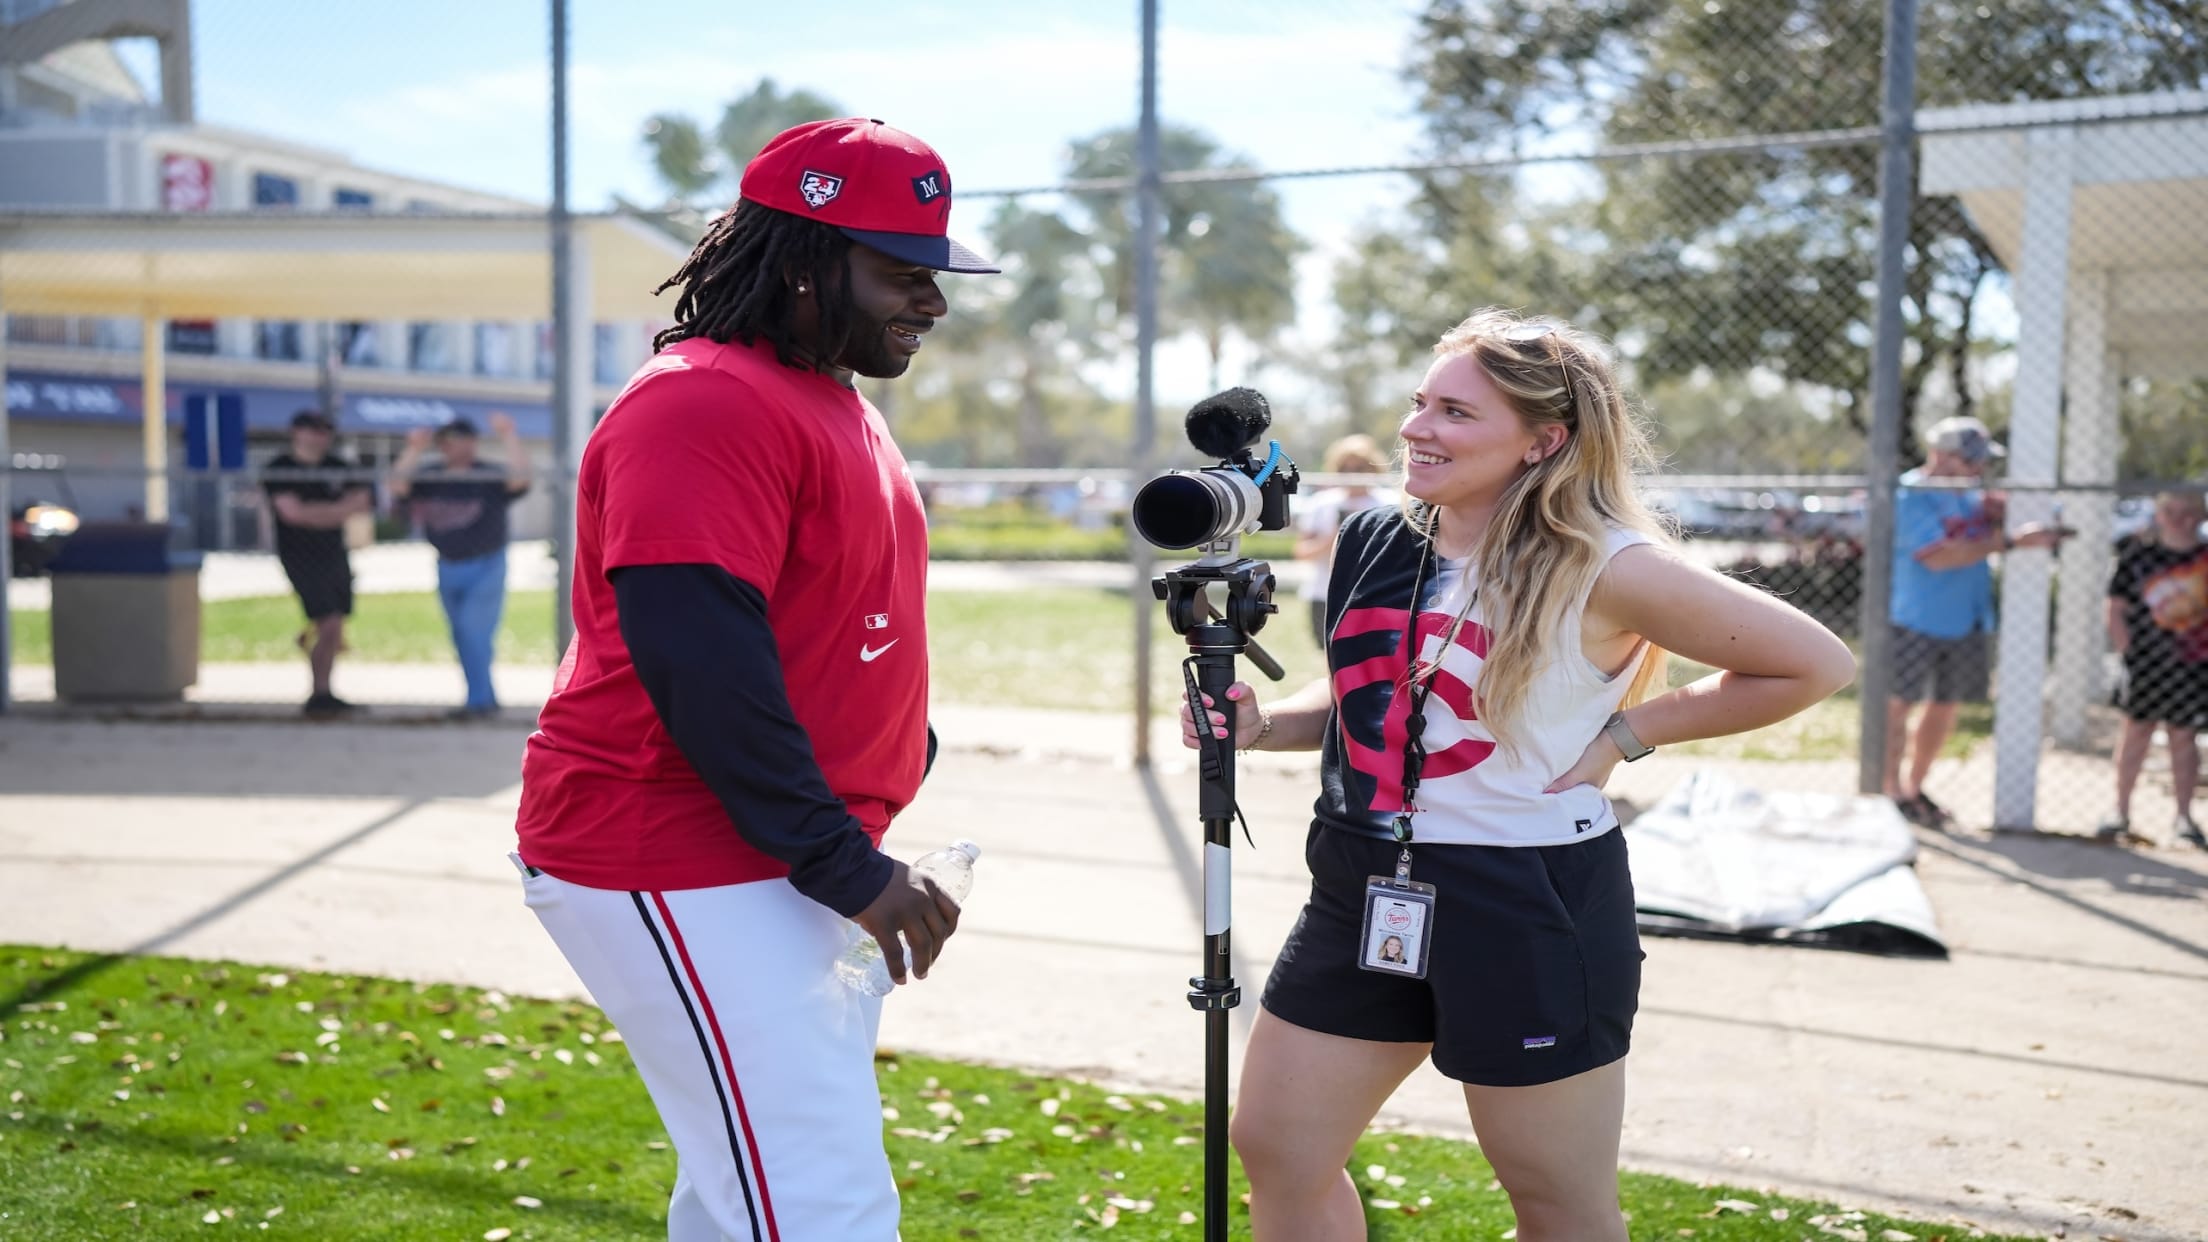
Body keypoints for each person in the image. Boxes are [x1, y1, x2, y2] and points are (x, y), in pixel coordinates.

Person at [1181, 308, 1856, 1242]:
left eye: (1455, 412)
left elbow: (1813, 663)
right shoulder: (1378, 537)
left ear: (1544, 441)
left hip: (1523, 895)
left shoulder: (1607, 562)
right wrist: (1260, 725)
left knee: (1554, 1198)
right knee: (1280, 1150)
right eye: (1420, 403)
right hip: (1361, 880)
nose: (1417, 427)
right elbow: (1363, 696)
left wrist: (1628, 736)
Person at [511, 117, 997, 1242]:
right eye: (901, 272)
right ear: (799, 263)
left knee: (751, 1198)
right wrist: (842, 864)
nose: (931, 300)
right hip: (677, 847)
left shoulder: (829, 398)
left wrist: (887, 771)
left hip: (766, 853)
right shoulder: (705, 399)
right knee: (816, 1205)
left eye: (934, 273)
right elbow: (698, 658)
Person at [1882, 416, 2068, 827]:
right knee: (1898, 705)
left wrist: (2003, 514)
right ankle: (1889, 791)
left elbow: (1986, 523)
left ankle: (1914, 790)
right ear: (1941, 455)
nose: (1979, 468)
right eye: (1971, 460)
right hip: (1914, 617)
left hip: (1965, 619)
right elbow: (1937, 556)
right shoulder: (1913, 492)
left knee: (1944, 707)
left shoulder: (1968, 494)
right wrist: (2010, 541)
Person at [388, 413, 531, 719]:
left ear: (473, 443)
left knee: (473, 630)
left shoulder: (487, 474)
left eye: (461, 440)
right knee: (462, 635)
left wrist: (508, 435)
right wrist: (414, 448)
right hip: (447, 564)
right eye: (448, 441)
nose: (454, 447)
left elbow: (521, 479)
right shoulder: (432, 475)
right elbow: (397, 487)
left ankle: (478, 702)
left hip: (487, 563)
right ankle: (483, 699)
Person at [2102, 490, 2208, 847]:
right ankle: (2119, 811)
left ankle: (2183, 817)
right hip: (2145, 661)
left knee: (2183, 736)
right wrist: (2128, 652)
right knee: (2135, 732)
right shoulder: (2138, 557)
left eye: (2188, 511)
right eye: (2171, 511)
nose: (2180, 519)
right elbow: (2115, 608)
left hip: (2194, 663)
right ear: (2159, 515)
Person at [261, 409, 372, 717]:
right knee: (329, 621)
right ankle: (319, 693)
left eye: (325, 430)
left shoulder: (338, 467)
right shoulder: (280, 468)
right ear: (296, 432)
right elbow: (291, 513)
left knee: (334, 625)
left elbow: (361, 503)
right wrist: (336, 510)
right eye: (312, 429)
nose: (319, 436)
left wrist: (315, 513)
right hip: (299, 555)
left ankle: (324, 689)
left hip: (334, 552)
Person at [1294, 434, 1393, 645]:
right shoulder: (1321, 504)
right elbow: (1302, 552)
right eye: (1344, 469)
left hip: (1377, 596)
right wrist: (1335, 537)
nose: (1351, 475)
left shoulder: (1389, 503)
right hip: (1326, 595)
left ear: (1373, 468)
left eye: (1358, 468)